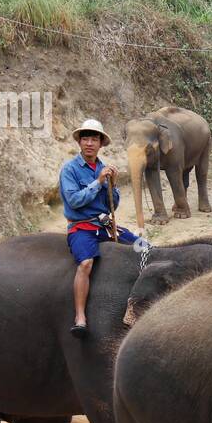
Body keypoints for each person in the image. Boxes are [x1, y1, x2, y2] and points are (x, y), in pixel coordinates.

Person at [60, 118, 140, 338]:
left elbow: (113, 202)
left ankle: (135, 305)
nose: (89, 143)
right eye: (85, 138)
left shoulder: (104, 168)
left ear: (100, 143)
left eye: (94, 139)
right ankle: (80, 316)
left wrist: (111, 184)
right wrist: (97, 182)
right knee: (85, 263)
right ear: (79, 142)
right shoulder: (70, 170)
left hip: (104, 224)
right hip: (82, 226)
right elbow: (74, 201)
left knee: (143, 248)